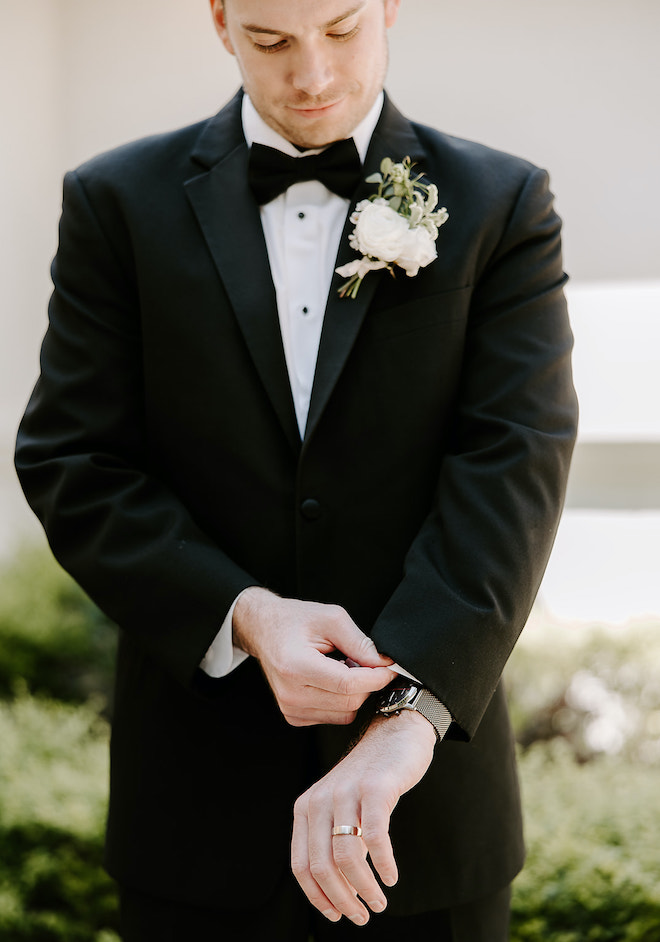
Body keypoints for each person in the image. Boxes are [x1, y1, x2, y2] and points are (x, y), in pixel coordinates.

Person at [15, 0, 578, 939]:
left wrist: (408, 716)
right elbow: (74, 459)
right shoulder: (116, 202)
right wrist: (241, 612)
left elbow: (512, 465)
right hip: (193, 816)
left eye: (343, 28)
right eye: (271, 41)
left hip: (426, 818)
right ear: (220, 18)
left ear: (390, 6)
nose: (312, 76)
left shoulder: (502, 203)